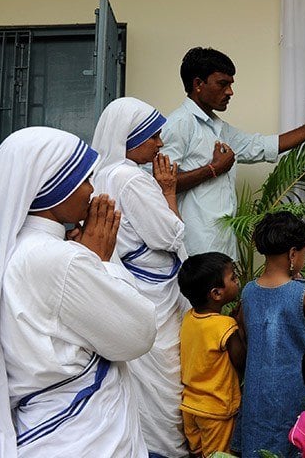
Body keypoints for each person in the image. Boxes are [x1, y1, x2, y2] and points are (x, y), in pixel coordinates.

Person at [0, 127, 158, 457]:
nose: (93, 192)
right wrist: (103, 261)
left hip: (45, 425)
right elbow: (138, 334)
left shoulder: (18, 249)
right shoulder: (58, 259)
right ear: (55, 185)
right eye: (85, 180)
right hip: (83, 435)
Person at [161, 46, 305, 259]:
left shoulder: (219, 127)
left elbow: (266, 145)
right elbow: (161, 183)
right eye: (222, 84)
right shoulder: (179, 124)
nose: (230, 92)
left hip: (221, 243)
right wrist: (213, 169)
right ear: (198, 84)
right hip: (193, 247)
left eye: (230, 84)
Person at [91, 96, 189, 457]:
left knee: (139, 382)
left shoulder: (101, 173)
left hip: (133, 287)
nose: (160, 144)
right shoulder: (130, 179)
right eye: (154, 137)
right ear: (131, 140)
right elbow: (170, 235)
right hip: (152, 296)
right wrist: (168, 191)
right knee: (163, 382)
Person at [238, 211, 305, 458]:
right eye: (304, 253)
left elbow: (245, 336)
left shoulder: (248, 292)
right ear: (292, 254)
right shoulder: (302, 292)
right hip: (294, 388)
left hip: (256, 390)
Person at [177, 252, 244, 457]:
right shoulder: (225, 326)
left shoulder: (189, 317)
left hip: (190, 406)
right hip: (216, 410)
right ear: (216, 293)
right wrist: (240, 325)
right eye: (232, 278)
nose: (237, 280)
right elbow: (241, 362)